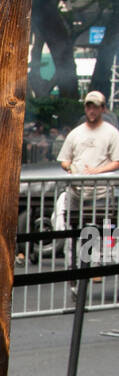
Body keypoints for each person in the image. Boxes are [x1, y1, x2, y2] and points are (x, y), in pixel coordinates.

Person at [53, 92, 119, 272]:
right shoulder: (75, 134)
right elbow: (64, 159)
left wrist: (98, 171)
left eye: (95, 106)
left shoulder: (112, 134)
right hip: (76, 192)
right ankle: (73, 269)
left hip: (101, 192)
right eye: (89, 106)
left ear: (103, 109)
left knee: (96, 230)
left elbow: (117, 161)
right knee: (73, 231)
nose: (91, 110)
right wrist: (69, 167)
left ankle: (93, 268)